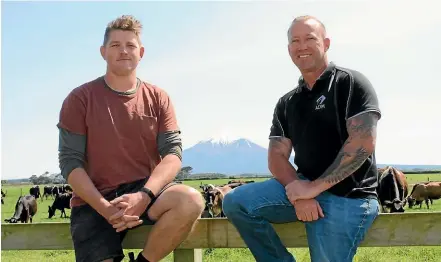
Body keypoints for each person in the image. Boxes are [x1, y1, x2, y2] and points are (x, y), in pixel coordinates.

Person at [223, 15, 381, 262]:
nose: (302, 46)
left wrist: (312, 189)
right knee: (236, 202)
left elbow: (362, 143)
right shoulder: (287, 102)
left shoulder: (350, 83)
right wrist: (296, 189)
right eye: (295, 41)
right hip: (306, 186)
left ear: (326, 43)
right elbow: (276, 156)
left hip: (350, 197)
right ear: (289, 50)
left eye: (310, 38)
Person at [57, 15, 205, 262]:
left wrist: (144, 195)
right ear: (103, 52)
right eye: (115, 45)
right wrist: (106, 209)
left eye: (130, 45)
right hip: (94, 200)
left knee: (190, 200)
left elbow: (172, 153)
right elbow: (70, 163)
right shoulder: (79, 99)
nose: (123, 51)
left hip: (145, 191)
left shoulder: (158, 97)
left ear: (141, 52)